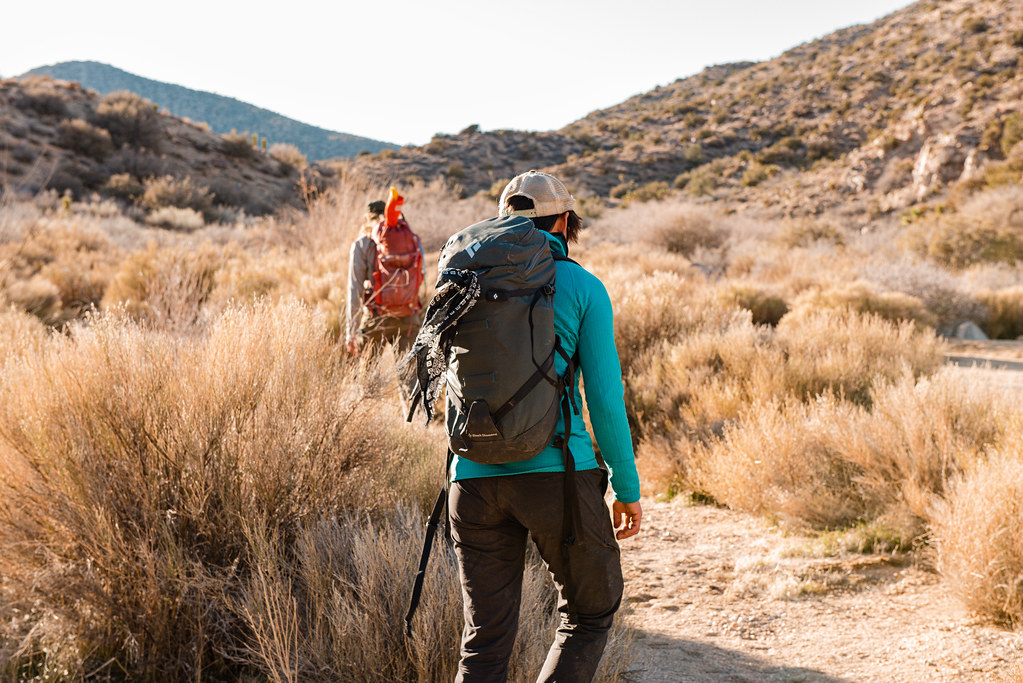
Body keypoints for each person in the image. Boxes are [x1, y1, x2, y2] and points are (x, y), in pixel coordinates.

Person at [448, 171, 642, 682]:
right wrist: (626, 486)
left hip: (469, 477)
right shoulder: (581, 285)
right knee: (589, 614)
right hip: (557, 475)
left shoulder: (465, 278)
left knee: (484, 639)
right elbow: (603, 397)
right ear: (562, 221)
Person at [345, 190, 424, 355]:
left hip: (376, 318)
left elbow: (355, 290)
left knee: (368, 378)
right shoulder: (410, 240)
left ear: (367, 219)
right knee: (409, 378)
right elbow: (421, 274)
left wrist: (351, 332)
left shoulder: (362, 244)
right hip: (408, 317)